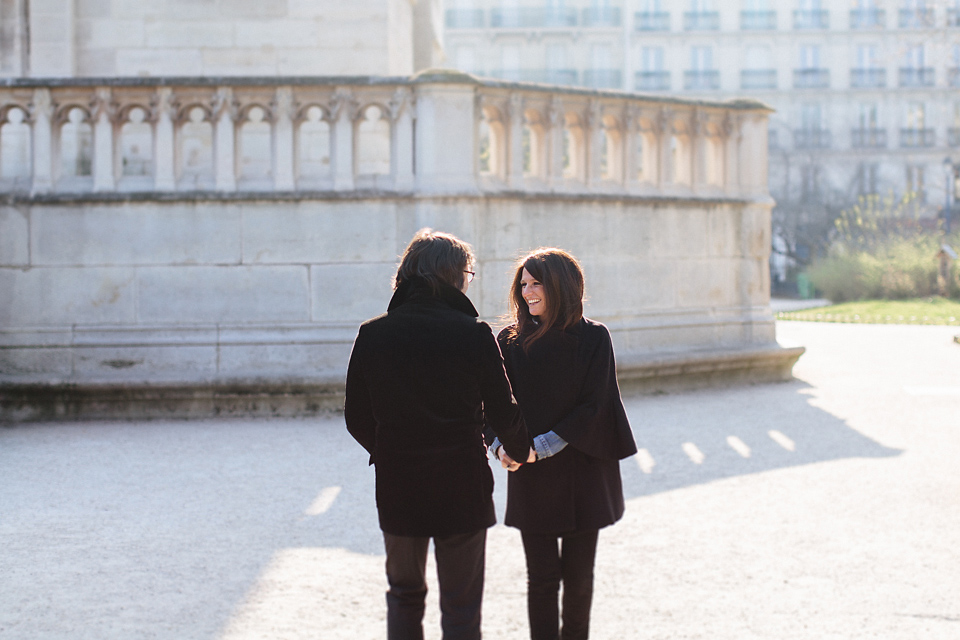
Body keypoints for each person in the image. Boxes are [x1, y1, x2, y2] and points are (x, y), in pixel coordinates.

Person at [344, 228, 531, 640]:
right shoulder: (473, 333)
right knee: (462, 605)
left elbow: (355, 416)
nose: (469, 279)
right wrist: (519, 450)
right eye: (468, 272)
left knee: (404, 595)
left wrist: (390, 450)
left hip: (399, 483)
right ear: (453, 276)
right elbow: (503, 408)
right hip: (462, 481)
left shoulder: (374, 333)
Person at [488, 248, 638, 640]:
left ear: (561, 285)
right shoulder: (509, 339)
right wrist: (500, 448)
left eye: (537, 283)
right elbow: (489, 402)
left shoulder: (593, 337)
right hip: (528, 470)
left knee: (578, 578)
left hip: (583, 469)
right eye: (523, 284)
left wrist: (541, 447)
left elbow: (595, 404)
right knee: (540, 578)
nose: (528, 292)